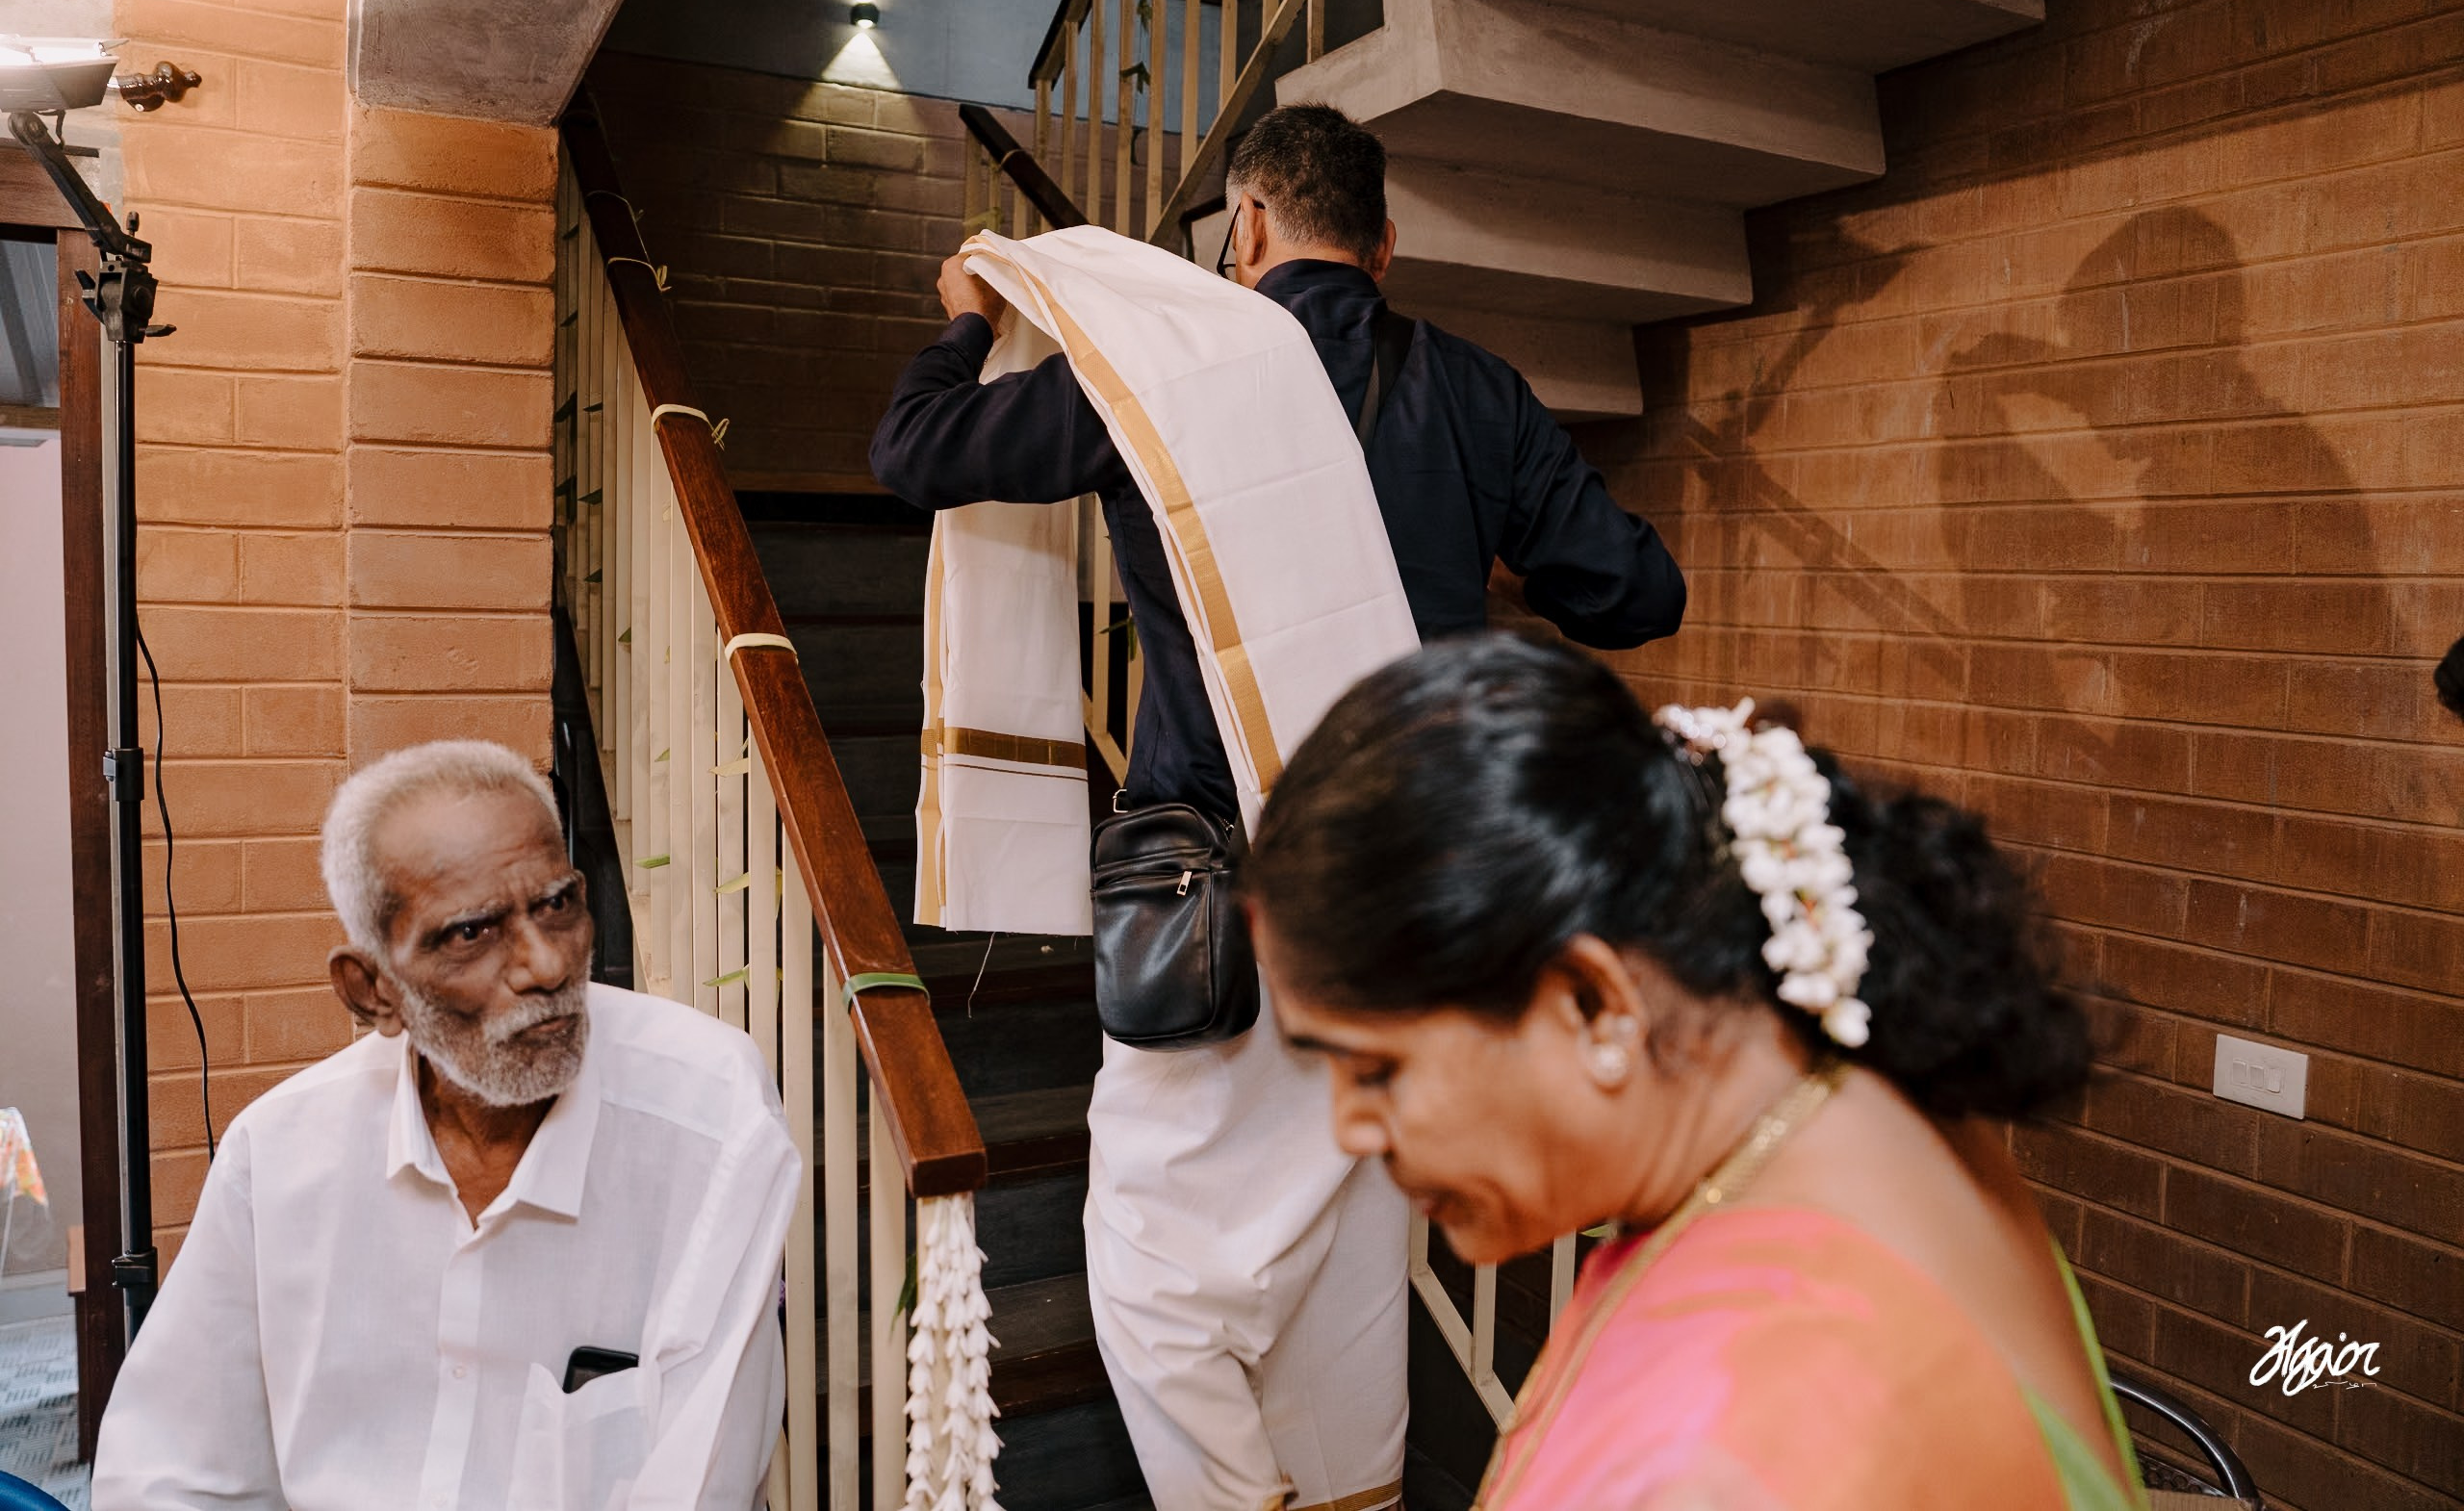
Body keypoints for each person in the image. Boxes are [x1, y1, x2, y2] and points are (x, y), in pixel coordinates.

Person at [872, 103, 1686, 1510]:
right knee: (1352, 1249)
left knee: (1154, 1268)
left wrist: (966, 314)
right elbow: (1637, 591)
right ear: (1383, 244)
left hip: (1218, 903)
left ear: (1243, 229)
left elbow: (916, 448)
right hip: (1410, 903)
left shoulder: (1159, 381)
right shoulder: (1478, 392)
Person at [1243, 634, 2148, 1511]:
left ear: (1594, 1003)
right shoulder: (1851, 1090)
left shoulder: (1730, 1447)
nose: (1349, 1129)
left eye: (1375, 1068)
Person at [92, 741, 799, 1511]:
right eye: (472, 933)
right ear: (373, 992)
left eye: (557, 904)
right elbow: (168, 1473)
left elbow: (702, 1488)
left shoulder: (710, 1114)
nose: (545, 966)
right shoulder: (279, 1157)